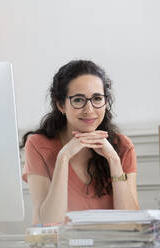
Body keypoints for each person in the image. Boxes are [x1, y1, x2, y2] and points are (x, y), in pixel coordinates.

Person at [21, 60, 140, 225]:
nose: (89, 110)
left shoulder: (123, 147)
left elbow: (131, 223)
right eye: (78, 100)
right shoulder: (38, 144)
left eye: (97, 98)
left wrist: (114, 161)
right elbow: (49, 222)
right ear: (61, 105)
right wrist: (63, 158)